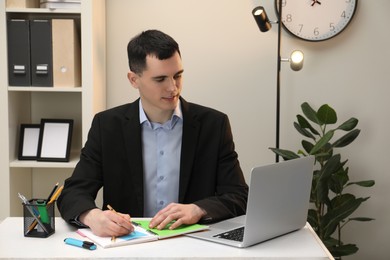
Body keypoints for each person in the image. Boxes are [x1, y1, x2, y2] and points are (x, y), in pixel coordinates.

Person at [57, 29, 248, 237]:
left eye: (178, 76)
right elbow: (73, 192)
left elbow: (238, 196)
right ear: (133, 80)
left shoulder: (214, 124)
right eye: (160, 79)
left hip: (194, 243)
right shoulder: (107, 126)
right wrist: (92, 216)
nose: (173, 87)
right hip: (128, 244)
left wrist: (198, 209)